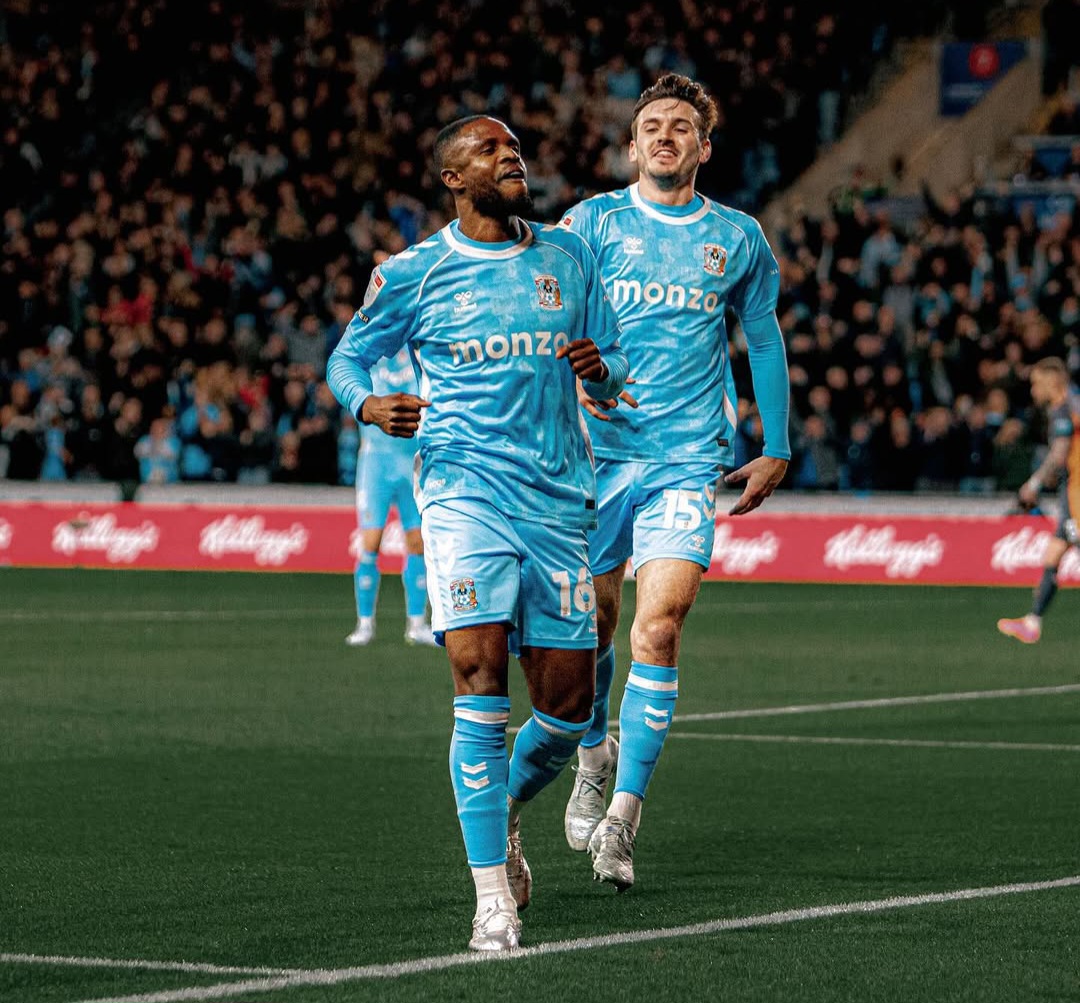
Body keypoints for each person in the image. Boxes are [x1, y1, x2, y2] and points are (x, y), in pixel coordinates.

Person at [326, 115, 628, 951]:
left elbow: (614, 368)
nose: (512, 158)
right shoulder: (414, 273)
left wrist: (603, 371)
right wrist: (366, 403)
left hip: (559, 504)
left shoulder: (568, 258)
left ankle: (503, 812)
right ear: (454, 178)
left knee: (567, 713)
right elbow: (346, 359)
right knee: (475, 677)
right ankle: (490, 897)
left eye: (515, 148)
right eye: (490, 151)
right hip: (462, 499)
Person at [558, 74, 791, 890]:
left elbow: (761, 338)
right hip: (591, 458)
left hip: (686, 460)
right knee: (587, 628)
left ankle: (623, 816)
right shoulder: (590, 223)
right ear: (632, 145)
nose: (665, 135)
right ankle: (593, 750)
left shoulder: (736, 236)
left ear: (703, 146)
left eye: (681, 126)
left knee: (657, 628)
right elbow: (550, 315)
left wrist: (779, 443)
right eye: (651, 124)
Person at [346, 345, 437, 647]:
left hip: (411, 460)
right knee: (370, 543)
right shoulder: (370, 351)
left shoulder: (418, 351)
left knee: (417, 543)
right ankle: (365, 624)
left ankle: (416, 623)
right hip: (376, 462)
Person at [997, 356, 1079, 643]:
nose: (1033, 391)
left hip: (1078, 496)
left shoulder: (1061, 411)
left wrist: (1033, 483)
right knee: (1052, 556)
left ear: (1050, 382)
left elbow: (1059, 453)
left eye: (1035, 384)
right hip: (1071, 492)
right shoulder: (1075, 403)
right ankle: (1033, 622)